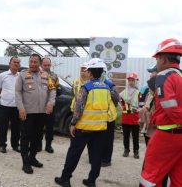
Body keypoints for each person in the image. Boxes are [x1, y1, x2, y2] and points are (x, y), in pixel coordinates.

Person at [54, 58, 117, 187]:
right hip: (100, 128)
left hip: (83, 128)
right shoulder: (107, 87)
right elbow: (115, 101)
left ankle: (65, 179)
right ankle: (92, 180)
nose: (86, 72)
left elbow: (79, 108)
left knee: (74, 153)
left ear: (91, 73)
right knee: (96, 156)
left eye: (88, 70)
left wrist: (73, 123)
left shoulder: (86, 87)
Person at [140, 38, 182, 187]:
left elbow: (171, 109)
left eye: (157, 58)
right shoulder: (180, 76)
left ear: (164, 59)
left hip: (166, 136)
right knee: (178, 178)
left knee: (149, 177)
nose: (156, 62)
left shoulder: (163, 77)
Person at [15, 53, 56, 174]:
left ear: (39, 63)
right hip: (27, 113)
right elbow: (17, 93)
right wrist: (21, 108)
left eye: (35, 62)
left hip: (41, 113)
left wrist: (51, 102)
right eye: (31, 62)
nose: (32, 64)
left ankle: (32, 157)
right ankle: (25, 163)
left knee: (37, 138)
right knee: (25, 137)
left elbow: (52, 90)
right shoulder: (22, 75)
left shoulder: (46, 75)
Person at [0, 57, 21, 153]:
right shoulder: (2, 75)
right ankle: (2, 145)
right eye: (14, 62)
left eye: (18, 63)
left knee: (16, 127)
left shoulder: (21, 76)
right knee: (3, 127)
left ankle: (15, 145)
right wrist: (5, 97)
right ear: (9, 63)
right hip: (4, 105)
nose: (16, 64)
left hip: (17, 106)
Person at [40, 57, 59, 153]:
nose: (47, 67)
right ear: (41, 65)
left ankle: (48, 146)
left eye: (48, 65)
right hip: (38, 105)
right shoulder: (36, 74)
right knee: (38, 126)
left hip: (50, 105)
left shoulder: (54, 76)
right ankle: (37, 145)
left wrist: (51, 103)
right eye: (45, 65)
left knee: (49, 127)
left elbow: (56, 89)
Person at [119, 72, 140, 159]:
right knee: (126, 136)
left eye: (133, 80)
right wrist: (123, 106)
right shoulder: (124, 92)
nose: (131, 82)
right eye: (129, 80)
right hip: (126, 117)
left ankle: (136, 151)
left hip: (135, 118)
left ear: (136, 81)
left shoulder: (139, 92)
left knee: (135, 136)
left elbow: (140, 104)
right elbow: (120, 101)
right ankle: (126, 150)